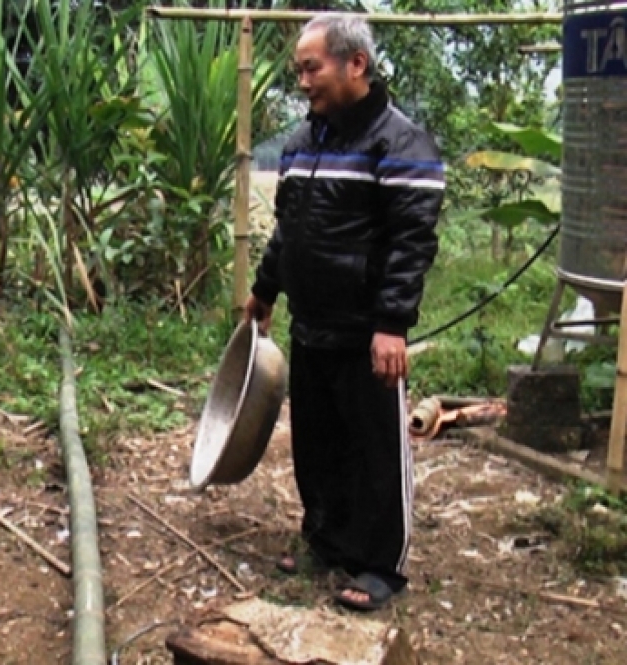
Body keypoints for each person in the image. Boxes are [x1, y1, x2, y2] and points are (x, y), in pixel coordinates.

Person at [243, 13, 445, 612]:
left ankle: (381, 564)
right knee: (319, 443)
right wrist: (265, 289)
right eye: (299, 70)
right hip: (312, 326)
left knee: (375, 449)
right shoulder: (306, 141)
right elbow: (288, 230)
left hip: (366, 334)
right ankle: (328, 541)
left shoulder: (400, 143)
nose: (303, 81)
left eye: (313, 67)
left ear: (355, 64)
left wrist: (392, 325)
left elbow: (412, 244)